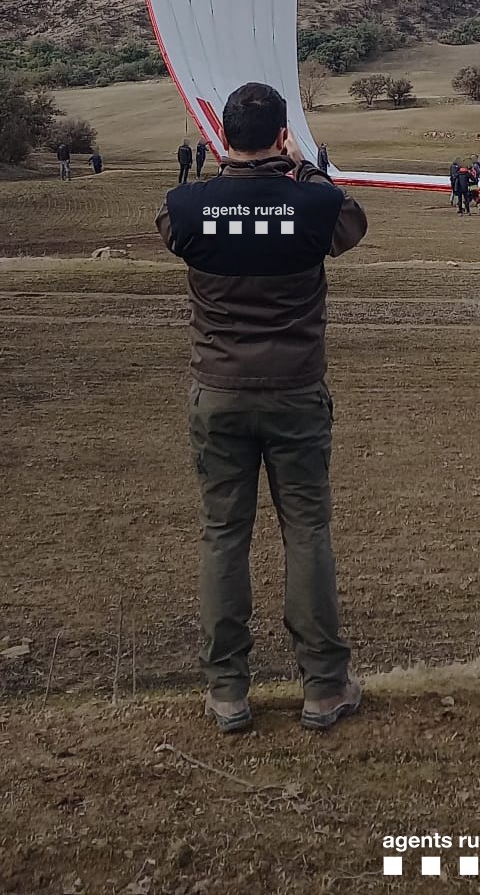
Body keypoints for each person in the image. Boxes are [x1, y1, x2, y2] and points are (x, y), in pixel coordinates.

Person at [156, 82, 367, 736]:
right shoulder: (317, 203)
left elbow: (171, 231)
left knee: (223, 535)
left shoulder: (185, 208)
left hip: (218, 392)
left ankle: (227, 690)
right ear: (282, 136)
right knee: (306, 532)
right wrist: (306, 168)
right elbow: (352, 223)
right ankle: (324, 685)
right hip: (296, 394)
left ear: (222, 136)